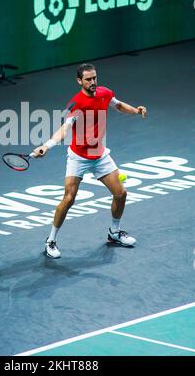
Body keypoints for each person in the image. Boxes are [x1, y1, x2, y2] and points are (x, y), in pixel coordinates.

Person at [33, 63, 147, 258]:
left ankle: (114, 232)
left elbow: (118, 105)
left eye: (94, 78)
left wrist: (136, 110)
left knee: (121, 193)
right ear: (79, 81)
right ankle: (50, 241)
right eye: (88, 79)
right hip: (78, 157)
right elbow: (64, 130)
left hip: (99, 155)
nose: (93, 82)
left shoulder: (104, 93)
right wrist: (46, 146)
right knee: (69, 199)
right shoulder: (76, 104)